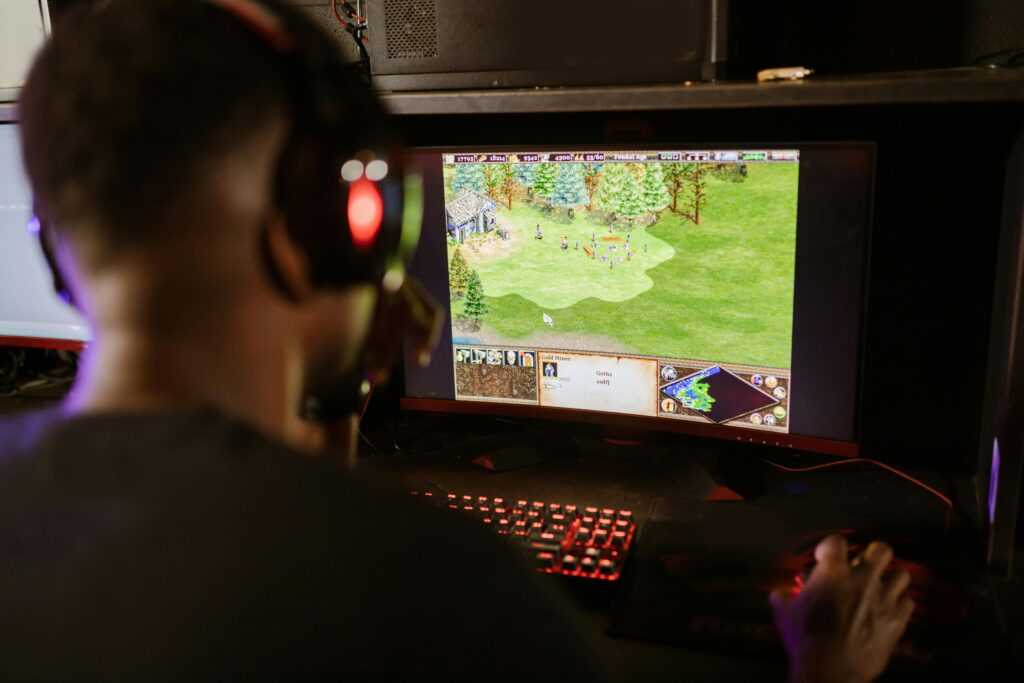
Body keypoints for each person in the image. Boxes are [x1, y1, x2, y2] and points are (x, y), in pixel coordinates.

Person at [0, 1, 912, 681]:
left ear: (54, 247)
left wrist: (340, 387)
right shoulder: (440, 591)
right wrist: (826, 669)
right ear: (322, 225)